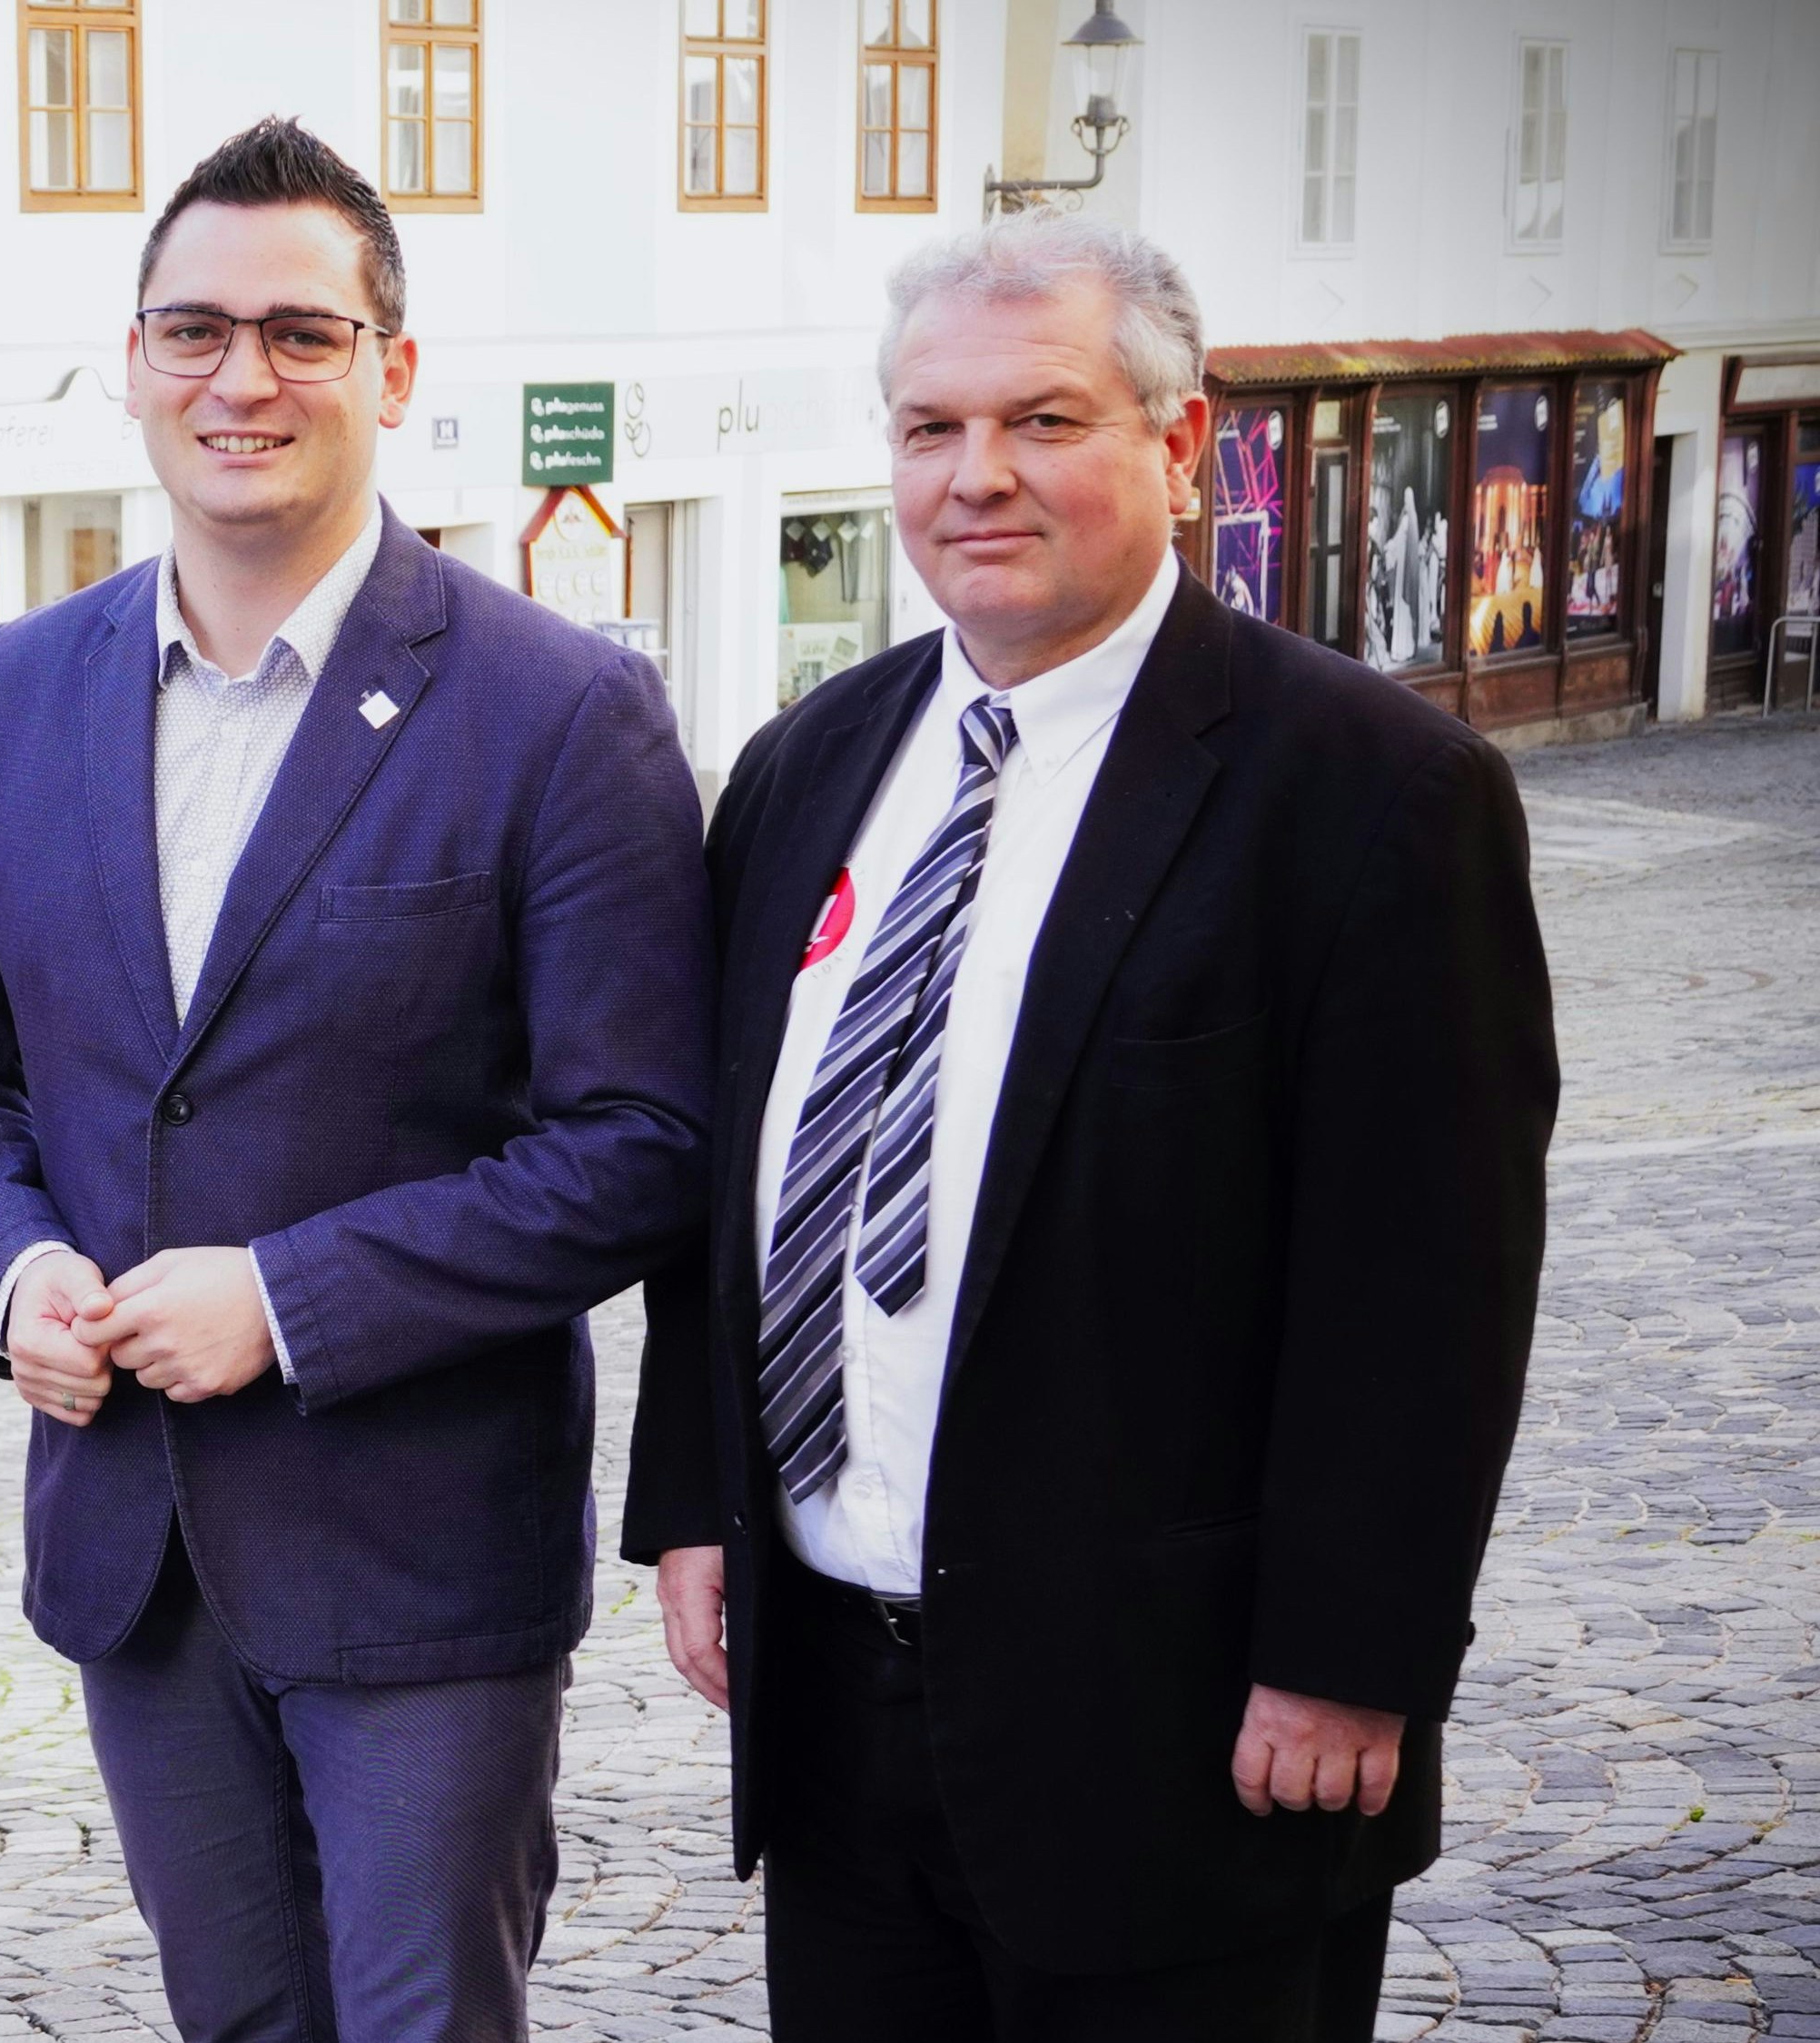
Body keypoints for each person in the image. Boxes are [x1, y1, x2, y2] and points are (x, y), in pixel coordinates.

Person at [622, 212, 1554, 2041]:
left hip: (1183, 1737)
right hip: (833, 1711)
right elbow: (718, 1181)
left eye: (1040, 421)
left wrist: (1343, 1666)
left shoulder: (1369, 797)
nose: (975, 477)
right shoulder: (808, 765)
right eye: (926, 429)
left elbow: (1421, 1291)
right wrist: (694, 1503)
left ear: (1176, 442)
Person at [0, 119, 712, 2042]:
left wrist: (286, 1297)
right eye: (190, 331)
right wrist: (11, 1280)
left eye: (297, 334)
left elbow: (642, 1139)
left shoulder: (554, 708)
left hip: (413, 1561)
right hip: (132, 1550)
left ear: (389, 370)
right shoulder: (20, 688)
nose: (237, 378)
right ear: (133, 360)